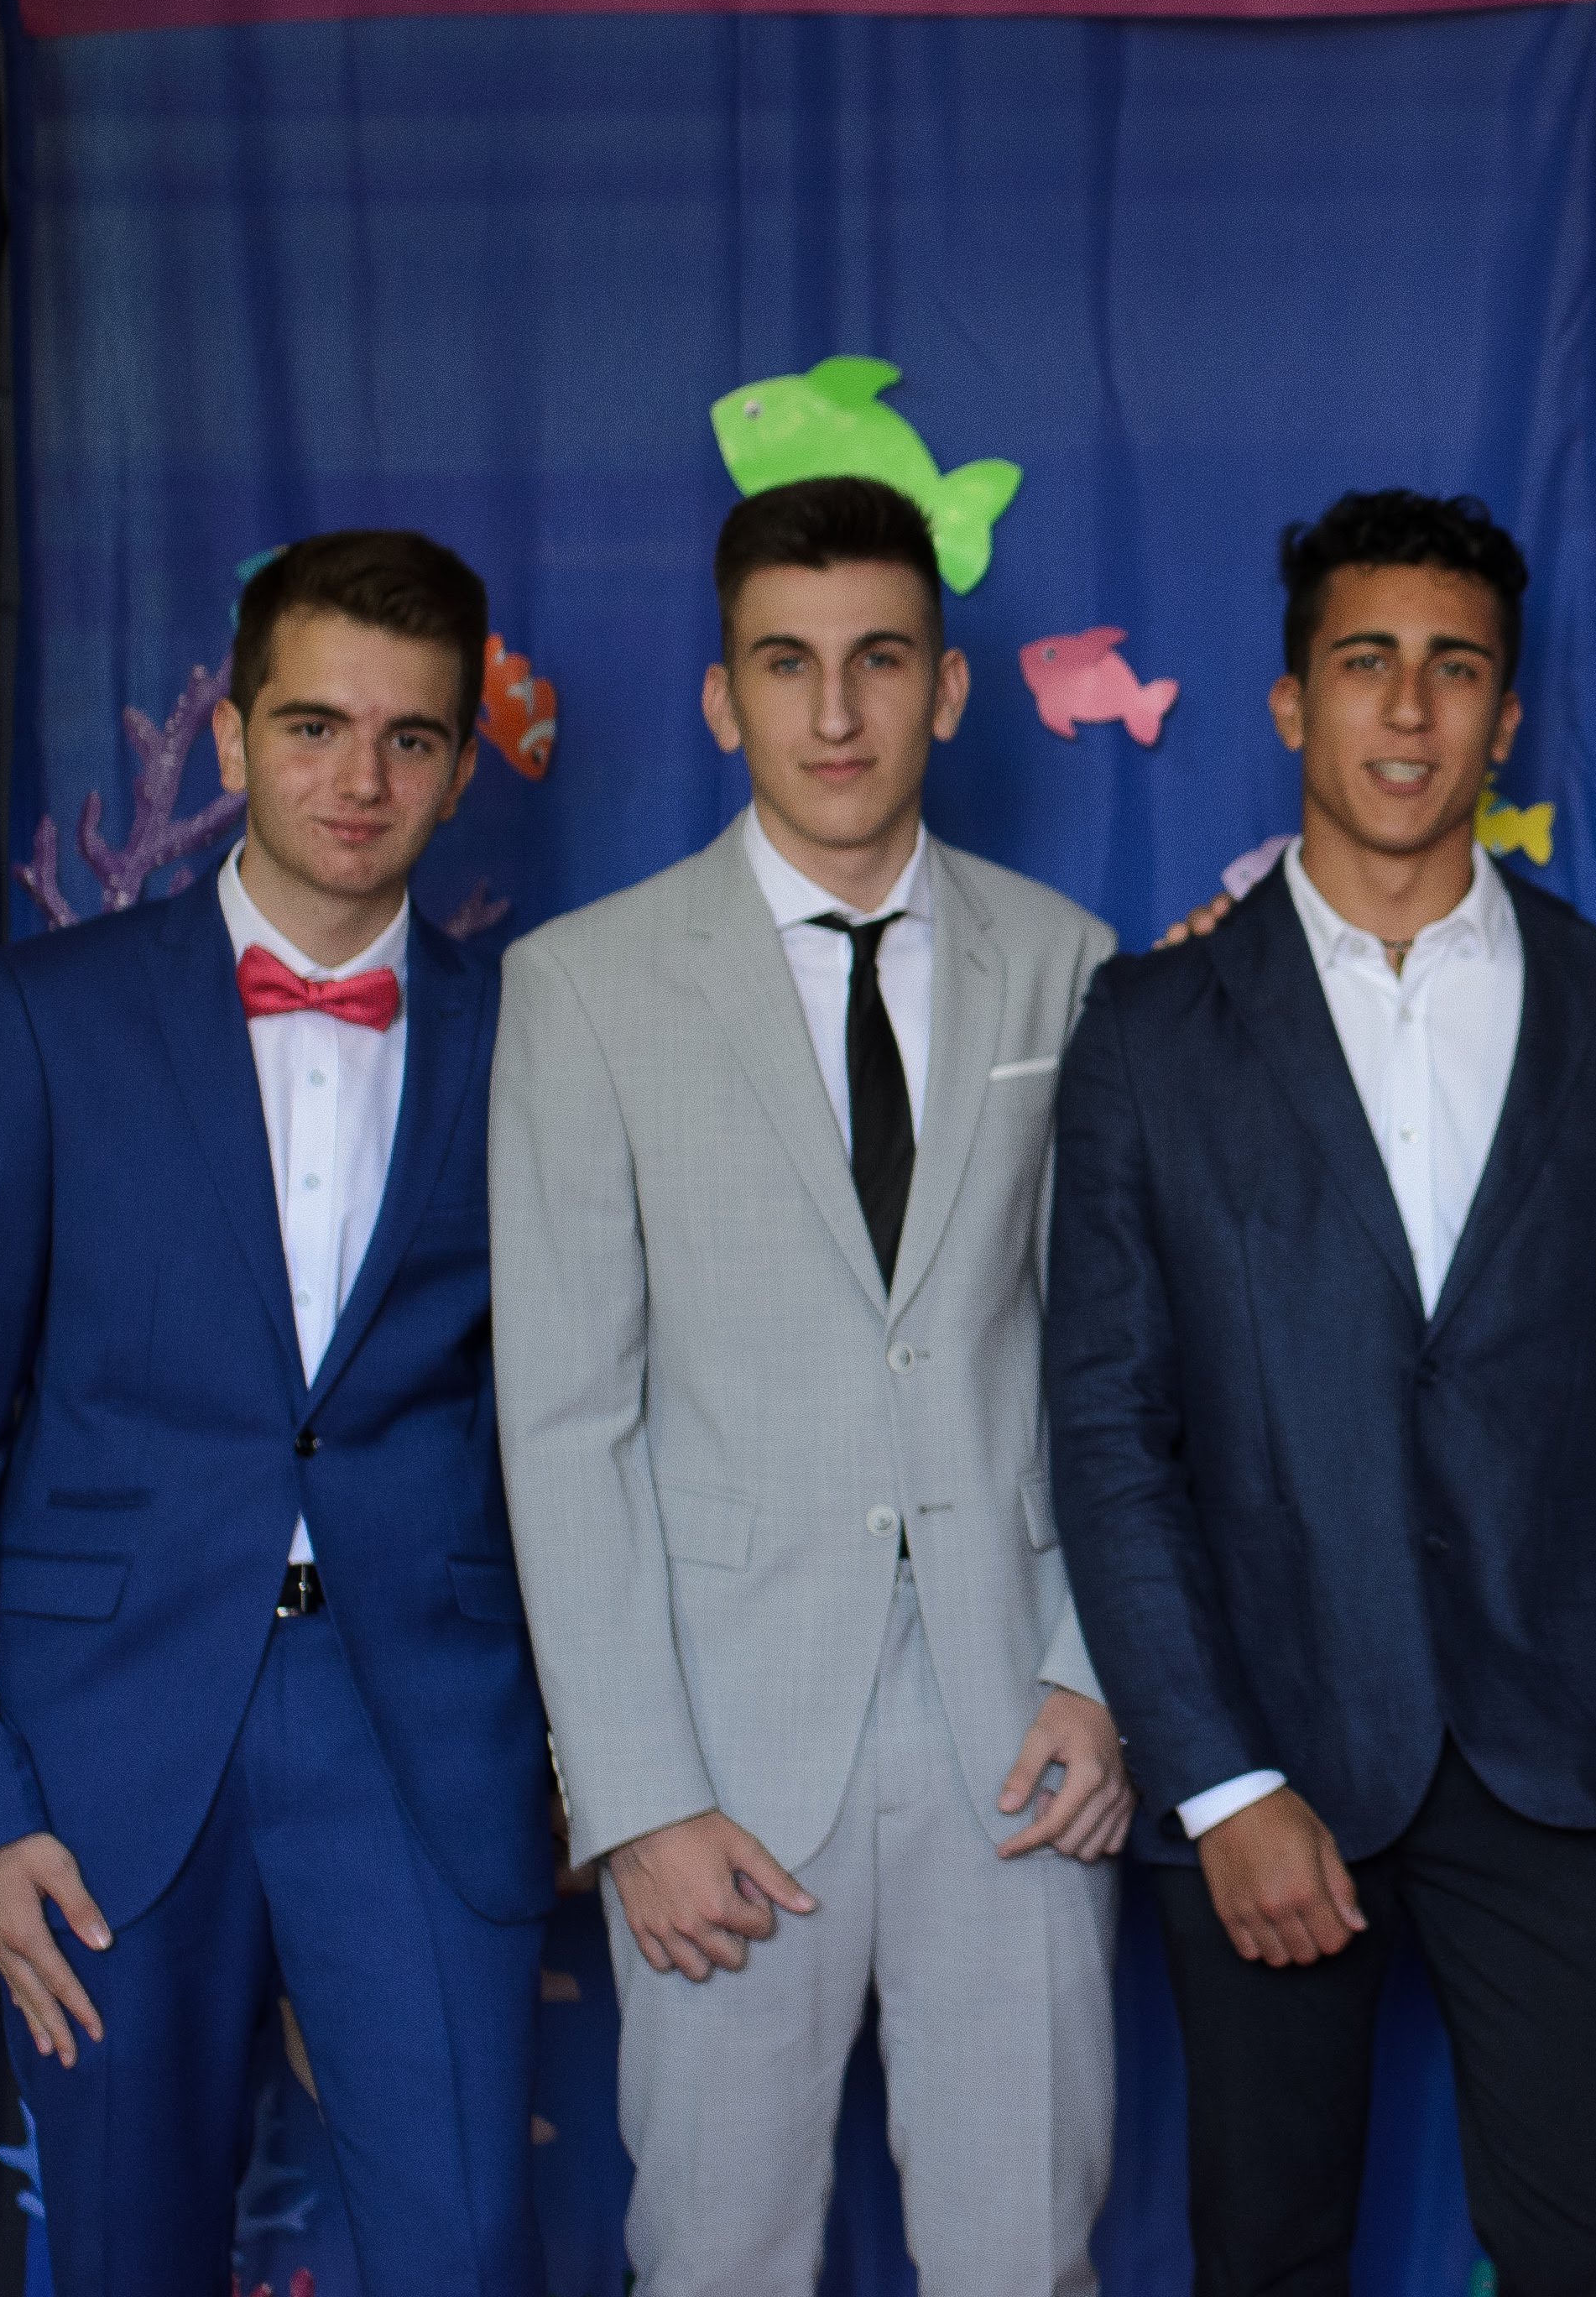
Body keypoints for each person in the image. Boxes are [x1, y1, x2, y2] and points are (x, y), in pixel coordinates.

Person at [1046, 489, 1596, 2297]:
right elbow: (1108, 1432)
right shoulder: (1149, 1033)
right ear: (1292, 703)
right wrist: (1217, 1777)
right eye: (1365, 664)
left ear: (1508, 714)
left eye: (1454, 668)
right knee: (1269, 2257)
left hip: (1559, 1752)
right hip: (1270, 1749)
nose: (1409, 710)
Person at [0, 531, 555, 2296]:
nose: (360, 776)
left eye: (410, 737)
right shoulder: (43, 1018)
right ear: (237, 734)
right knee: (126, 2261)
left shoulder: (542, 1038)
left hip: (424, 1732)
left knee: (470, 2255)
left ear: (461, 768)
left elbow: (586, 1417)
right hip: (106, 1744)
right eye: (315, 726)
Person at [492, 478, 1127, 2295]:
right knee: (717, 2260)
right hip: (721, 1750)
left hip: (1021, 1734)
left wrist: (1096, 1678)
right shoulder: (584, 985)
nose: (834, 711)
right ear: (722, 697)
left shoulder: (1068, 962)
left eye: (879, 660)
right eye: (786, 663)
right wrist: (634, 1796)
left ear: (950, 688)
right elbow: (564, 1421)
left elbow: (1118, 1367)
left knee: (1027, 2262)